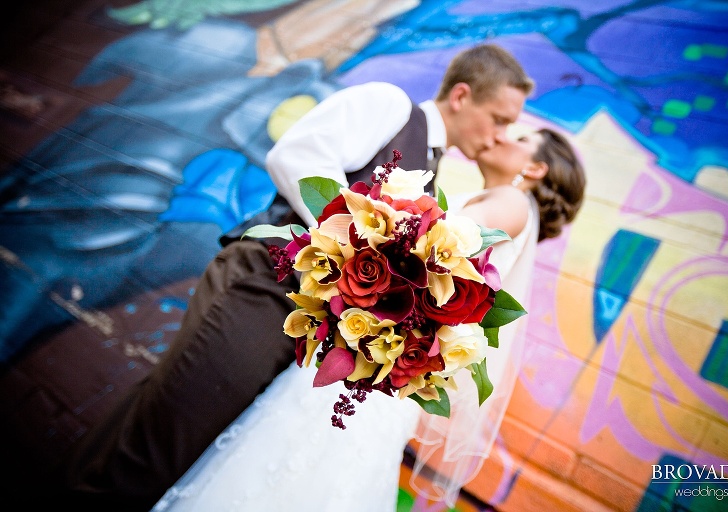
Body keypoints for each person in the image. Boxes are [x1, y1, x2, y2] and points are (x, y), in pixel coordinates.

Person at [52, 44, 534, 510]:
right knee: (163, 443)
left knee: (160, 418)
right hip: (263, 286)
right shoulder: (390, 105)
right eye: (499, 119)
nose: (498, 136)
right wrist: (373, 247)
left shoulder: (431, 164)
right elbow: (294, 157)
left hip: (291, 316)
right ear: (462, 95)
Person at [149, 127, 586, 511]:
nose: (503, 135)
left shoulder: (510, 200)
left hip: (372, 358)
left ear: (535, 169)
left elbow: (432, 245)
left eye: (522, 138)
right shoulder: (515, 211)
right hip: (382, 364)